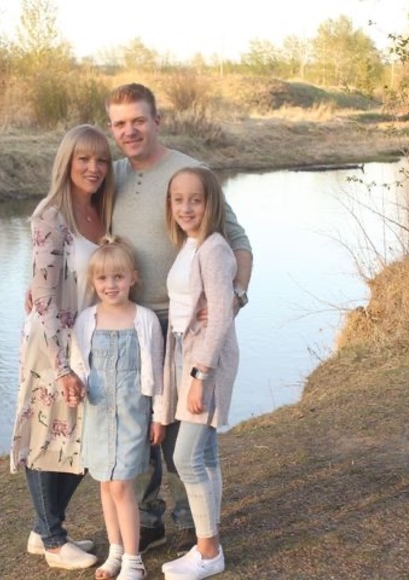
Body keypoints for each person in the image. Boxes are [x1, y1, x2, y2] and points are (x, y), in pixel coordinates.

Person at [105, 83, 253, 555]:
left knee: (180, 432)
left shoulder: (190, 172)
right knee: (139, 426)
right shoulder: (111, 176)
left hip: (181, 323)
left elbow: (237, 240)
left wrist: (235, 296)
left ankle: (193, 521)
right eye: (120, 124)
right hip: (130, 321)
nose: (130, 131)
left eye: (138, 120)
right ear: (112, 128)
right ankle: (146, 521)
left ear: (157, 120)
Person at [10, 124, 115, 570]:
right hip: (52, 342)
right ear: (67, 163)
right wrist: (62, 366)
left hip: (89, 337)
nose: (93, 168)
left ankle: (43, 530)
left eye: (101, 160)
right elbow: (45, 295)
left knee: (86, 435)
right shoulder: (51, 215)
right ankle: (53, 541)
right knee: (47, 434)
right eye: (83, 159)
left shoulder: (102, 209)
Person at [155, 166, 239, 579]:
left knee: (185, 457)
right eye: (178, 200)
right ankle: (210, 543)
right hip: (185, 356)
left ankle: (208, 552)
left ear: (211, 203)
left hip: (205, 362)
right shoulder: (190, 245)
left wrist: (200, 376)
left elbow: (221, 315)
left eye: (195, 200)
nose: (186, 208)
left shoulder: (214, 249)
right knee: (204, 455)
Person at [70, 236, 165, 580]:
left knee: (123, 485)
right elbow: (79, 365)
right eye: (103, 278)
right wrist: (75, 389)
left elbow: (157, 372)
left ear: (132, 278)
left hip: (131, 415)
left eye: (118, 277)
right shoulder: (86, 320)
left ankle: (134, 561)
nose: (110, 285)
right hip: (97, 415)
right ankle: (116, 551)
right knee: (106, 485)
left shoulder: (145, 320)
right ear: (93, 282)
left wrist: (158, 416)